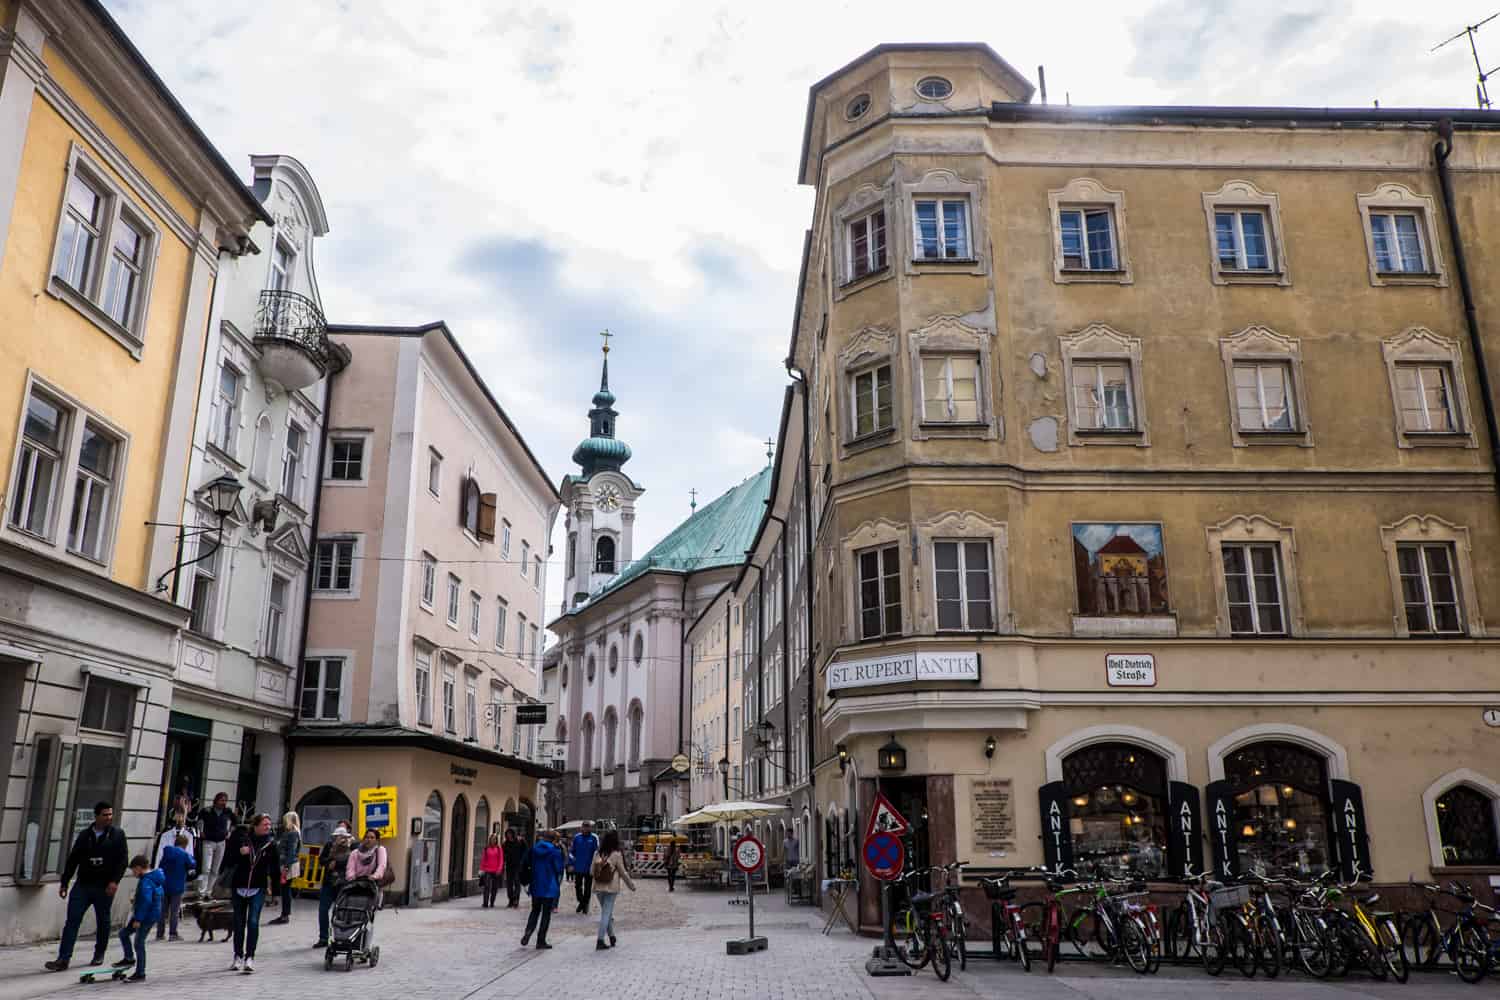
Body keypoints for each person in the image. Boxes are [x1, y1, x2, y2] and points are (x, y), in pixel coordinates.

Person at [44, 801, 129, 972]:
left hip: (104, 886)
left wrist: (114, 881)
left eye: (110, 814)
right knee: (72, 921)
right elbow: (73, 859)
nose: (109, 818)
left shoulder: (117, 835)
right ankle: (63, 958)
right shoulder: (85, 835)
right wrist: (65, 882)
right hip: (83, 884)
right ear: (96, 816)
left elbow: (123, 861)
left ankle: (99, 954)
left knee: (103, 920)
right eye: (105, 815)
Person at [225, 814, 278, 973]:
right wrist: (239, 853)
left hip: (258, 887)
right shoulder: (242, 840)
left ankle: (250, 957)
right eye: (264, 824)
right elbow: (228, 860)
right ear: (255, 825)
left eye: (269, 824)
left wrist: (275, 893)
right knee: (238, 923)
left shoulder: (271, 844)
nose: (268, 827)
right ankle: (237, 956)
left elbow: (275, 868)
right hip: (239, 886)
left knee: (253, 921)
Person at [112, 855, 163, 982]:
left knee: (139, 943)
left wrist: (138, 919)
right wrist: (137, 900)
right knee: (124, 933)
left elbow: (146, 901)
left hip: (146, 916)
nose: (133, 873)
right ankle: (129, 958)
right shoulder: (155, 877)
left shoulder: (146, 881)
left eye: (134, 870)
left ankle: (140, 973)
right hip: (147, 913)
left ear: (139, 868)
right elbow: (154, 895)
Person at [590, 830, 636, 950]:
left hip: (598, 887)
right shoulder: (616, 854)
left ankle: (611, 936)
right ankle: (600, 940)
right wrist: (631, 885)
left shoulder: (597, 853)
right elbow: (623, 872)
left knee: (607, 913)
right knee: (606, 914)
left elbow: (591, 872)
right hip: (611, 887)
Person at [520, 831, 566, 950]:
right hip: (549, 886)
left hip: (536, 884)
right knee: (546, 914)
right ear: (553, 840)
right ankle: (541, 940)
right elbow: (559, 868)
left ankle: (528, 931)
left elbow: (525, 863)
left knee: (535, 910)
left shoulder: (534, 849)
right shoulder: (554, 851)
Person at [344, 830, 388, 952]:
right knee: (352, 914)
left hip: (372, 888)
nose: (368, 839)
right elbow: (350, 869)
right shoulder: (355, 853)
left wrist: (374, 876)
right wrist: (351, 878)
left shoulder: (380, 851)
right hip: (356, 886)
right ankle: (350, 939)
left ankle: (365, 947)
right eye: (366, 837)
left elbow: (382, 866)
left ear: (376, 840)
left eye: (372, 837)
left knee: (368, 919)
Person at [313, 823, 354, 948]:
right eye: (337, 836)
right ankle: (323, 937)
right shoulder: (329, 846)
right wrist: (328, 862)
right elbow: (321, 860)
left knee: (341, 911)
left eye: (341, 836)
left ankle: (341, 937)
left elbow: (352, 861)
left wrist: (336, 863)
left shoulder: (352, 846)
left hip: (343, 883)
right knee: (323, 910)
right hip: (329, 882)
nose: (339, 838)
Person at [155, 833, 195, 942]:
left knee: (162, 911)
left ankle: (159, 934)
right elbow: (192, 864)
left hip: (164, 885)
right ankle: (173, 934)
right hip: (177, 887)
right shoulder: (184, 854)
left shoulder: (167, 852)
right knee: (174, 911)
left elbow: (160, 866)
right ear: (185, 845)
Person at [198, 792, 233, 893]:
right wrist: (201, 831)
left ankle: (209, 891)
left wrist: (229, 832)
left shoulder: (227, 811)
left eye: (225, 800)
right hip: (208, 840)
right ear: (216, 800)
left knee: (215, 869)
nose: (224, 803)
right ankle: (202, 891)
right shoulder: (207, 811)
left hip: (221, 841)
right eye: (222, 800)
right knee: (206, 868)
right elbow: (200, 821)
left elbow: (234, 822)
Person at [269, 811, 301, 924]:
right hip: (289, 863)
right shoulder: (293, 832)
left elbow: (291, 851)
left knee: (286, 890)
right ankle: (285, 914)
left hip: (288, 864)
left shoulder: (292, 833)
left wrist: (286, 868)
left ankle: (285, 915)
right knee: (286, 889)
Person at [569, 821, 600, 914]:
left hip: (589, 867)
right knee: (577, 886)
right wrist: (570, 864)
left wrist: (597, 865)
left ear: (590, 828)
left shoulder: (594, 838)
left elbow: (597, 852)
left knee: (587, 887)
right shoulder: (577, 837)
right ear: (581, 828)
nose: (586, 829)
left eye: (588, 827)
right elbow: (571, 852)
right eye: (584, 827)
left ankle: (585, 905)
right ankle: (582, 902)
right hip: (578, 866)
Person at [501, 828, 525, 908]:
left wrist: (522, 861)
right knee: (509, 884)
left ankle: (516, 900)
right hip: (509, 866)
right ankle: (510, 900)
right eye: (507, 834)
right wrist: (504, 861)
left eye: (510, 833)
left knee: (517, 882)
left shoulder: (520, 841)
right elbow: (503, 854)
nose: (509, 835)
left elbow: (525, 851)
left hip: (518, 865)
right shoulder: (505, 844)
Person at [480, 833, 503, 908]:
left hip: (496, 871)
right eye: (492, 839)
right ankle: (485, 903)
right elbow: (483, 859)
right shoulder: (486, 848)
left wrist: (499, 869)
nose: (493, 840)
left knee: (494, 887)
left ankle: (492, 902)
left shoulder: (499, 849)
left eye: (495, 839)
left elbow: (501, 860)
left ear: (496, 840)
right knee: (487, 886)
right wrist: (481, 869)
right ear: (490, 840)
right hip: (487, 870)